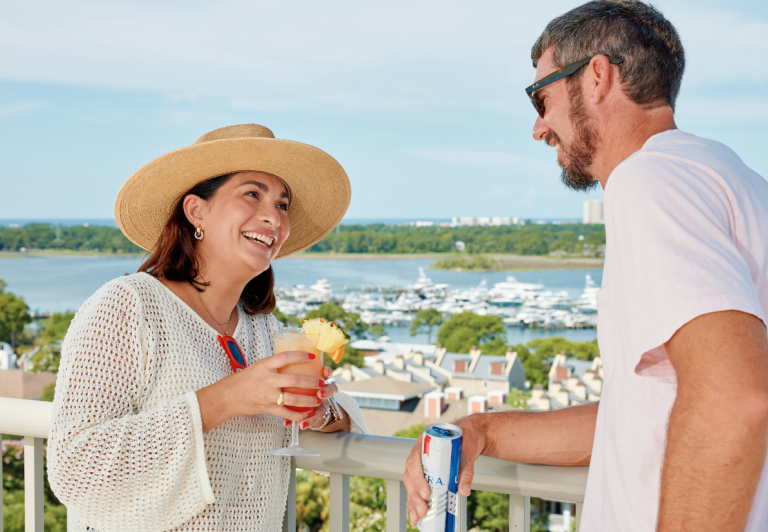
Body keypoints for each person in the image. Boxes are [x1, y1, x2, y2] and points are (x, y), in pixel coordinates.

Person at [403, 2, 768, 531]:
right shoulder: (735, 180)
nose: (538, 127)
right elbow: (639, 418)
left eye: (541, 97)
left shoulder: (651, 182)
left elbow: (733, 398)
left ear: (596, 76)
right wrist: (483, 430)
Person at [47, 124, 368, 532]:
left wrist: (322, 412)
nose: (274, 216)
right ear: (197, 210)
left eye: (283, 204)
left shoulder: (264, 331)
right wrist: (225, 399)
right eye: (252, 194)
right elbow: (76, 467)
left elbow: (347, 421)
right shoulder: (129, 306)